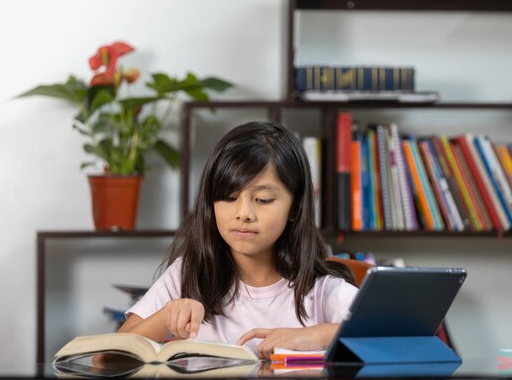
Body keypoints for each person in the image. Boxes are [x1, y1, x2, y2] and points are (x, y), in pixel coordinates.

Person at [118, 121, 358, 358]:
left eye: (263, 199)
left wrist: (319, 335)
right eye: (229, 197)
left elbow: (393, 334)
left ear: (295, 208)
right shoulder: (188, 275)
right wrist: (165, 318)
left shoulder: (321, 290)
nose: (244, 213)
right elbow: (105, 357)